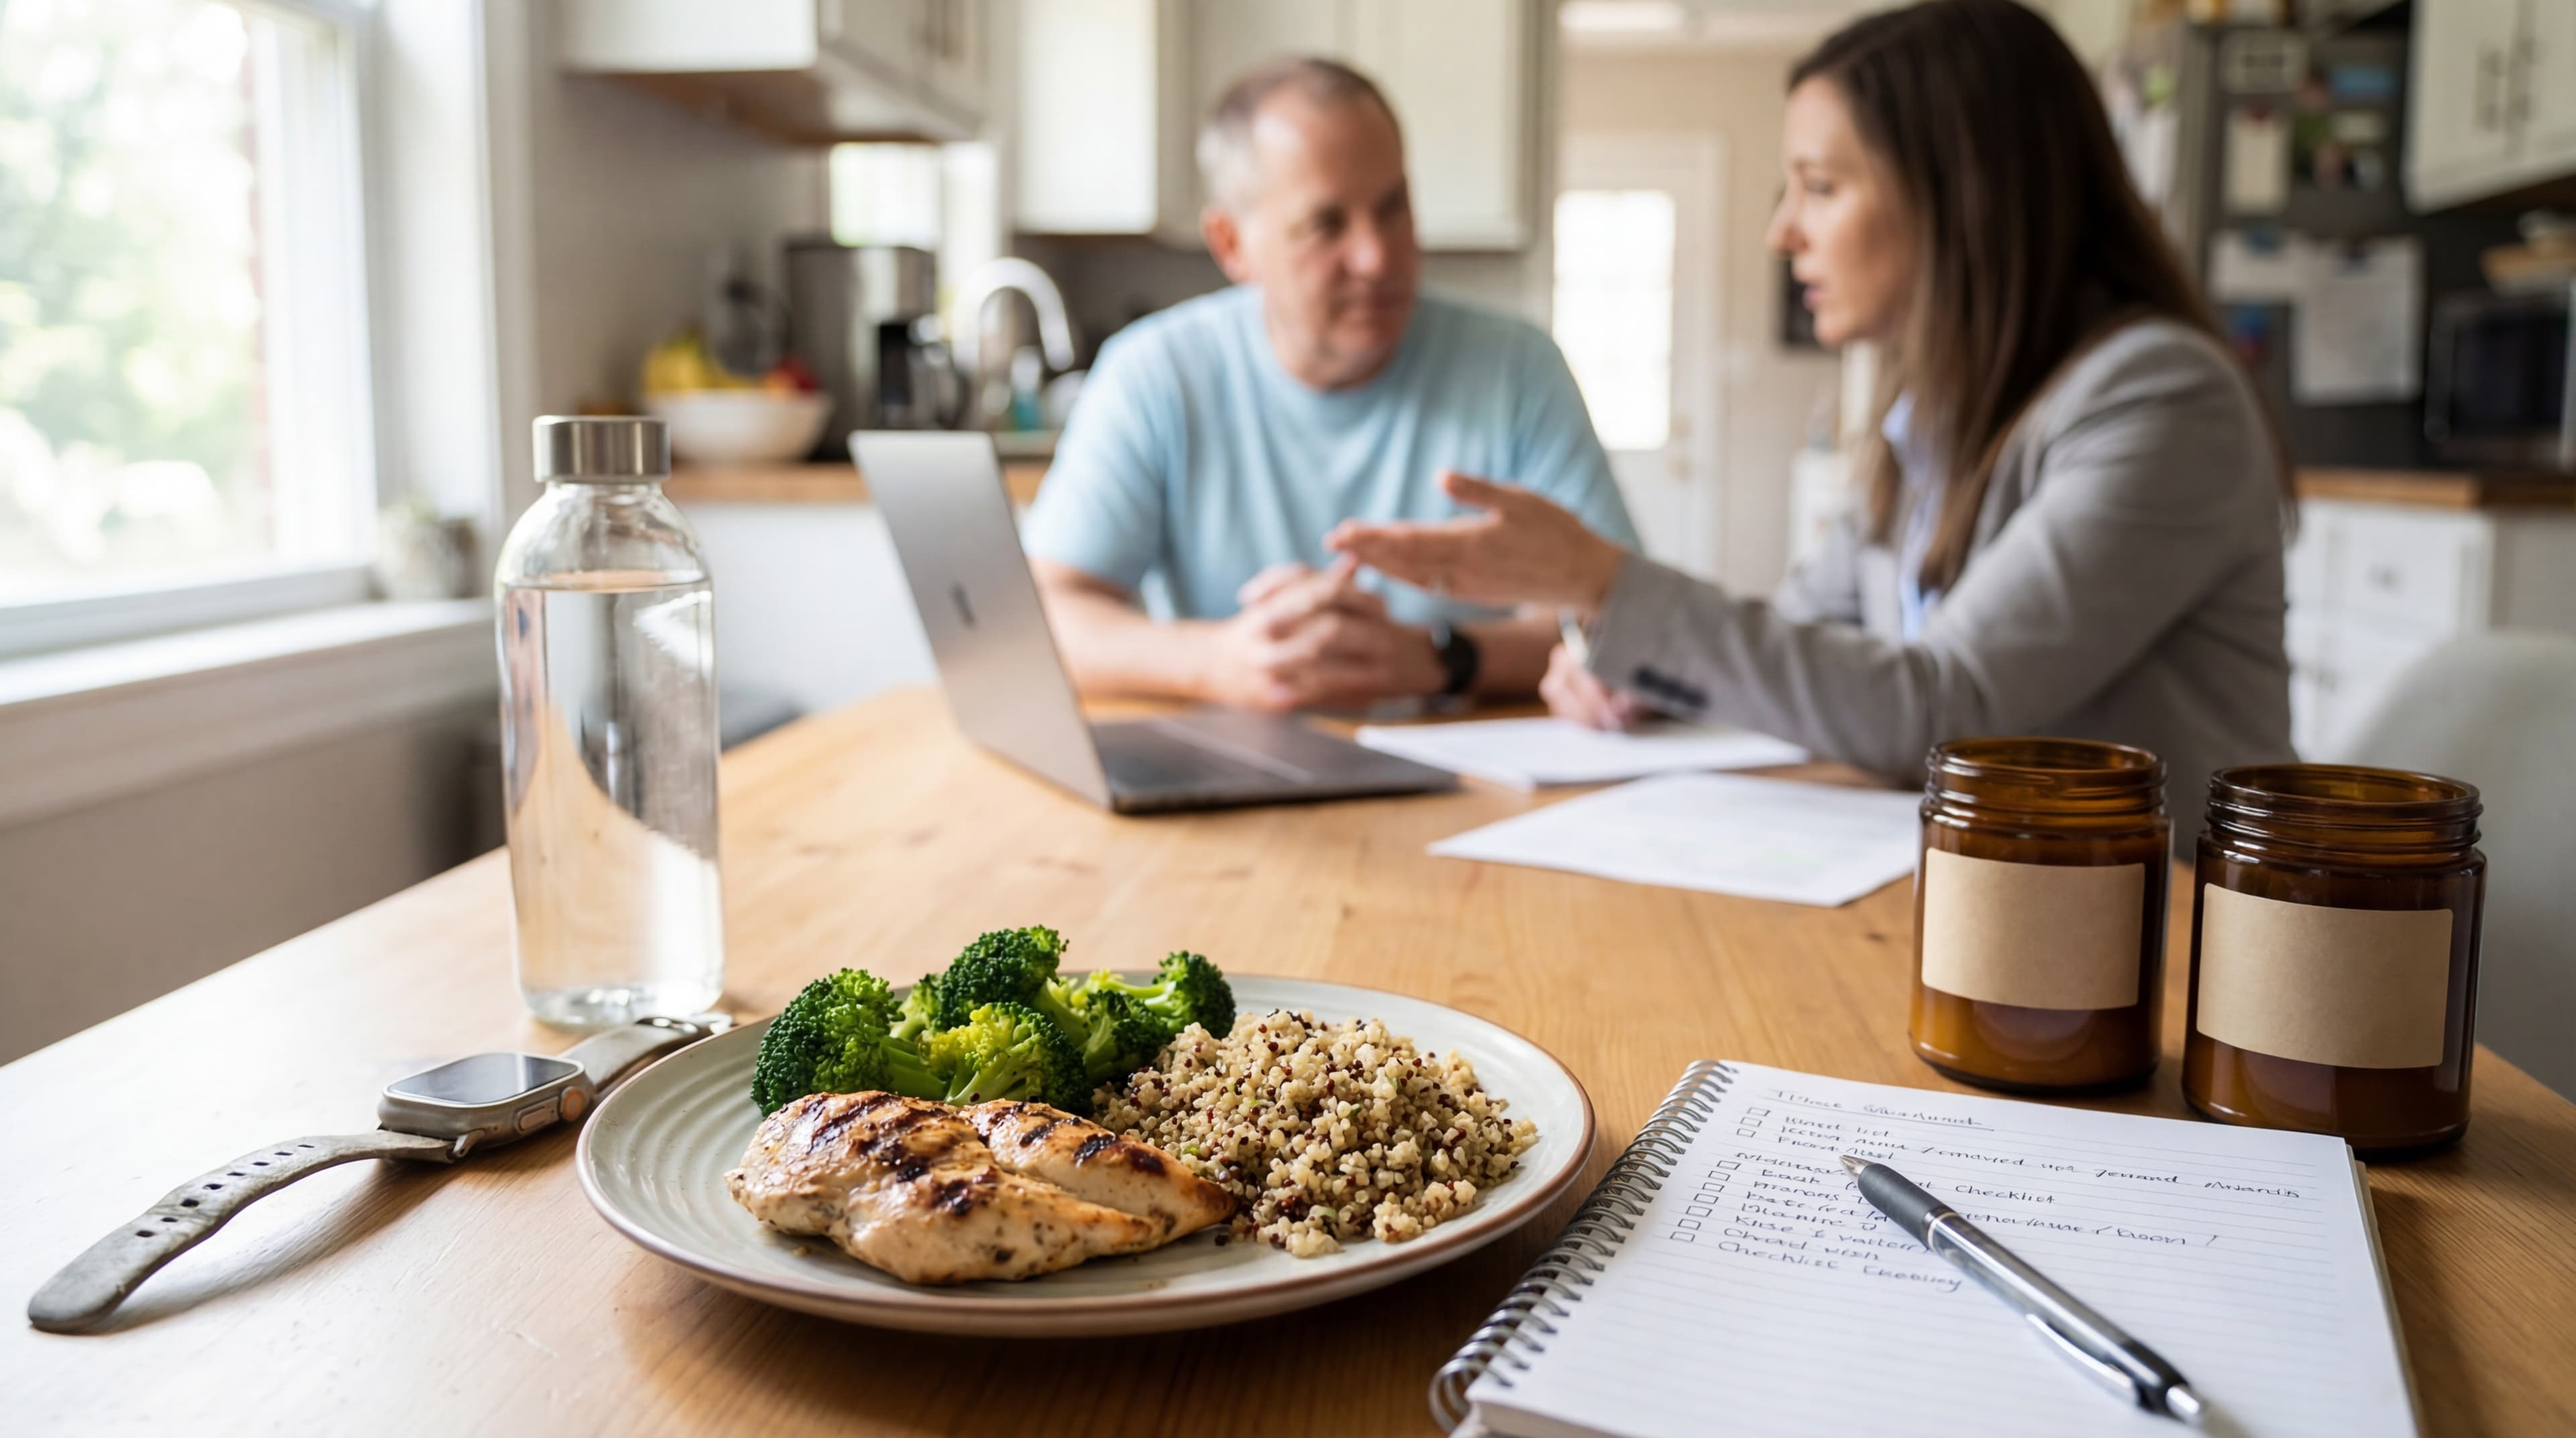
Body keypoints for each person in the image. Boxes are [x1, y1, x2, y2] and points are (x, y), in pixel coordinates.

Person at [1328, 0, 2295, 833]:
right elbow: (1804, 638)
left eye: (1821, 187)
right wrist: (1636, 671)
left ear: (1964, 199)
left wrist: (1607, 584)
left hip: (2170, 956)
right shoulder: (1934, 419)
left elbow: (1944, 709)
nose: (1781, 230)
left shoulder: (2163, 401)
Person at [1020, 58, 1639, 713]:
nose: (1377, 257)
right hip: (1225, 773)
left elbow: (1618, 609)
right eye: (1326, 225)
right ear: (1232, 244)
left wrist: (1435, 657)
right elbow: (1047, 610)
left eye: (1393, 207)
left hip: (1464, 780)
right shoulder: (1152, 375)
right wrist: (1216, 661)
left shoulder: (1519, 369)